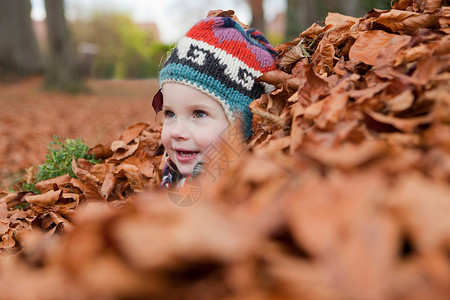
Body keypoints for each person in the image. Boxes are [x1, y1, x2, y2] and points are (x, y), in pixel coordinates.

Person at [152, 11, 278, 189]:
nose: (176, 132)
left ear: (246, 123)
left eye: (199, 113)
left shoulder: (243, 191)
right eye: (170, 113)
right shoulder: (171, 179)